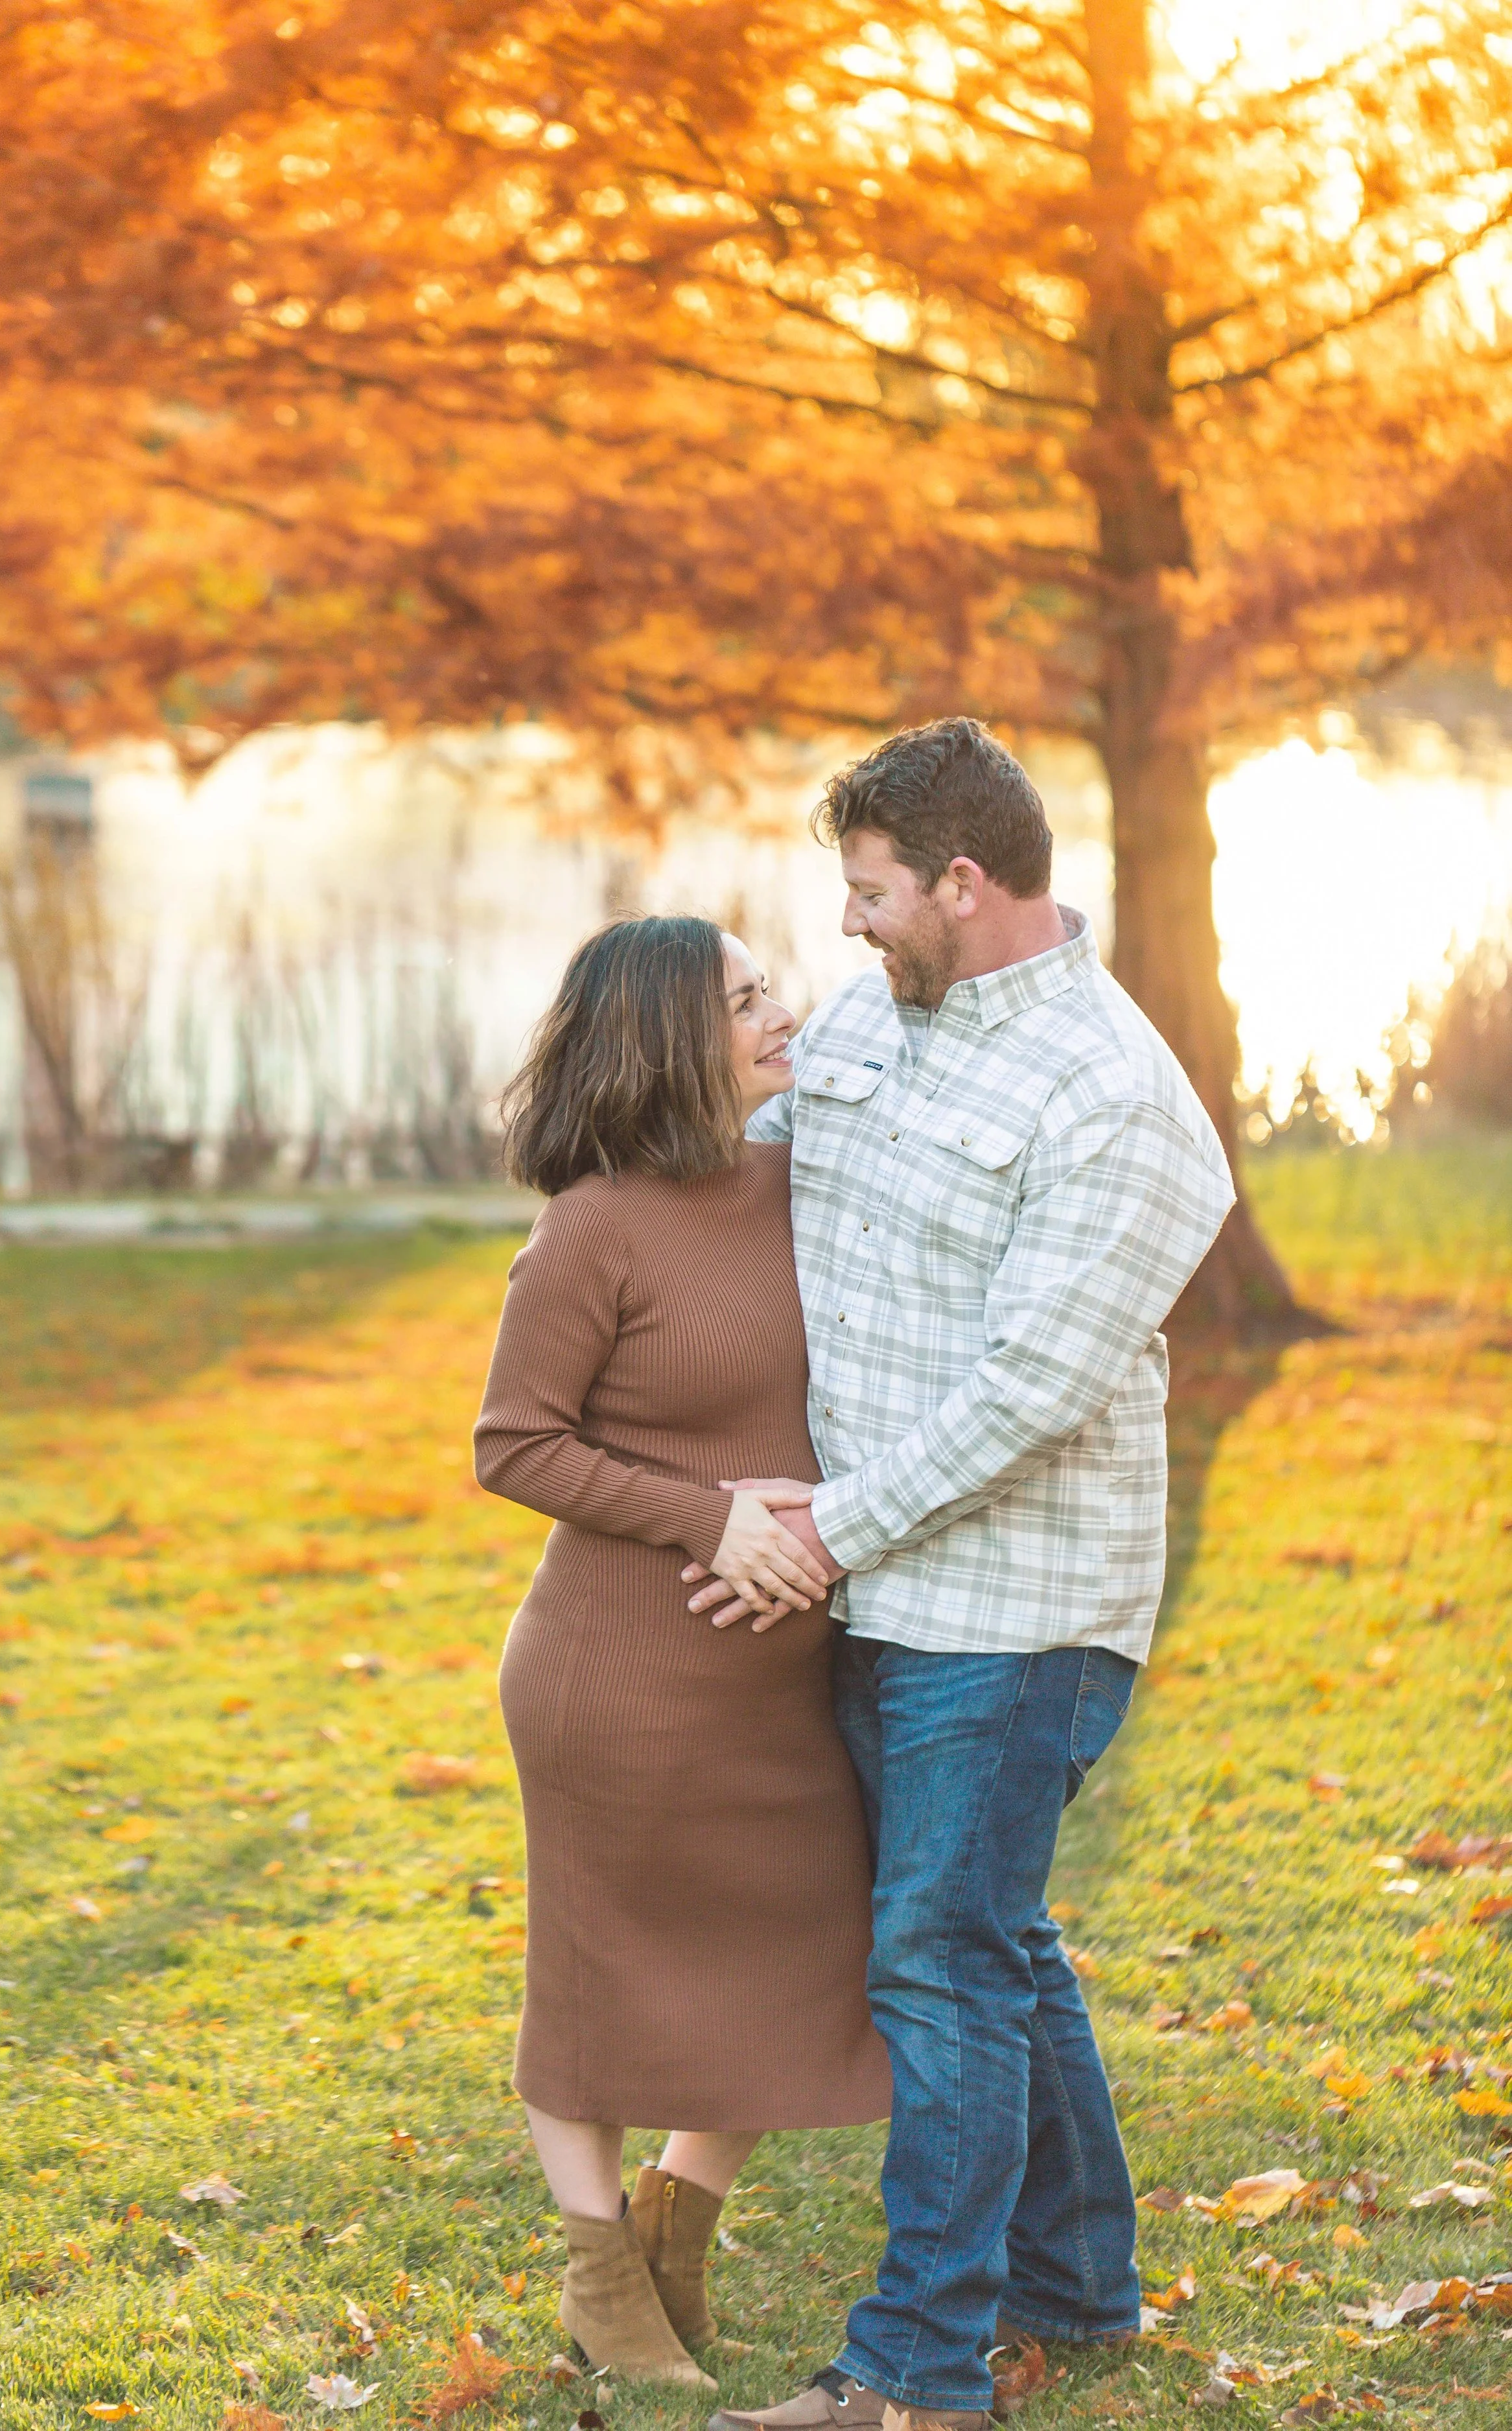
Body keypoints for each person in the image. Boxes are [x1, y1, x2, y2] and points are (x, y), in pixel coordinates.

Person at [683, 719, 1237, 2431]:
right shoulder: (878, 1021)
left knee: (938, 1952)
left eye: (866, 892)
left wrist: (825, 1524)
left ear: (961, 882)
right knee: (988, 1935)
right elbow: (765, 1184)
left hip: (1012, 1610)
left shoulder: (1115, 1101)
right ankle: (1075, 2280)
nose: (843, 924)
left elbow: (1022, 1398)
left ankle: (914, 2372)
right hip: (879, 1588)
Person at [472, 915, 891, 2394]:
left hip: (775, 1681)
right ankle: (602, 2275)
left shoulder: (799, 1184)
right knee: (593, 1989)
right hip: (616, 1676)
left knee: (812, 1959)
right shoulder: (593, 1222)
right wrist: (705, 1518)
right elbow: (511, 1444)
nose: (782, 1011)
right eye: (743, 999)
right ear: (667, 1037)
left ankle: (676, 2233)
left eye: (769, 984)